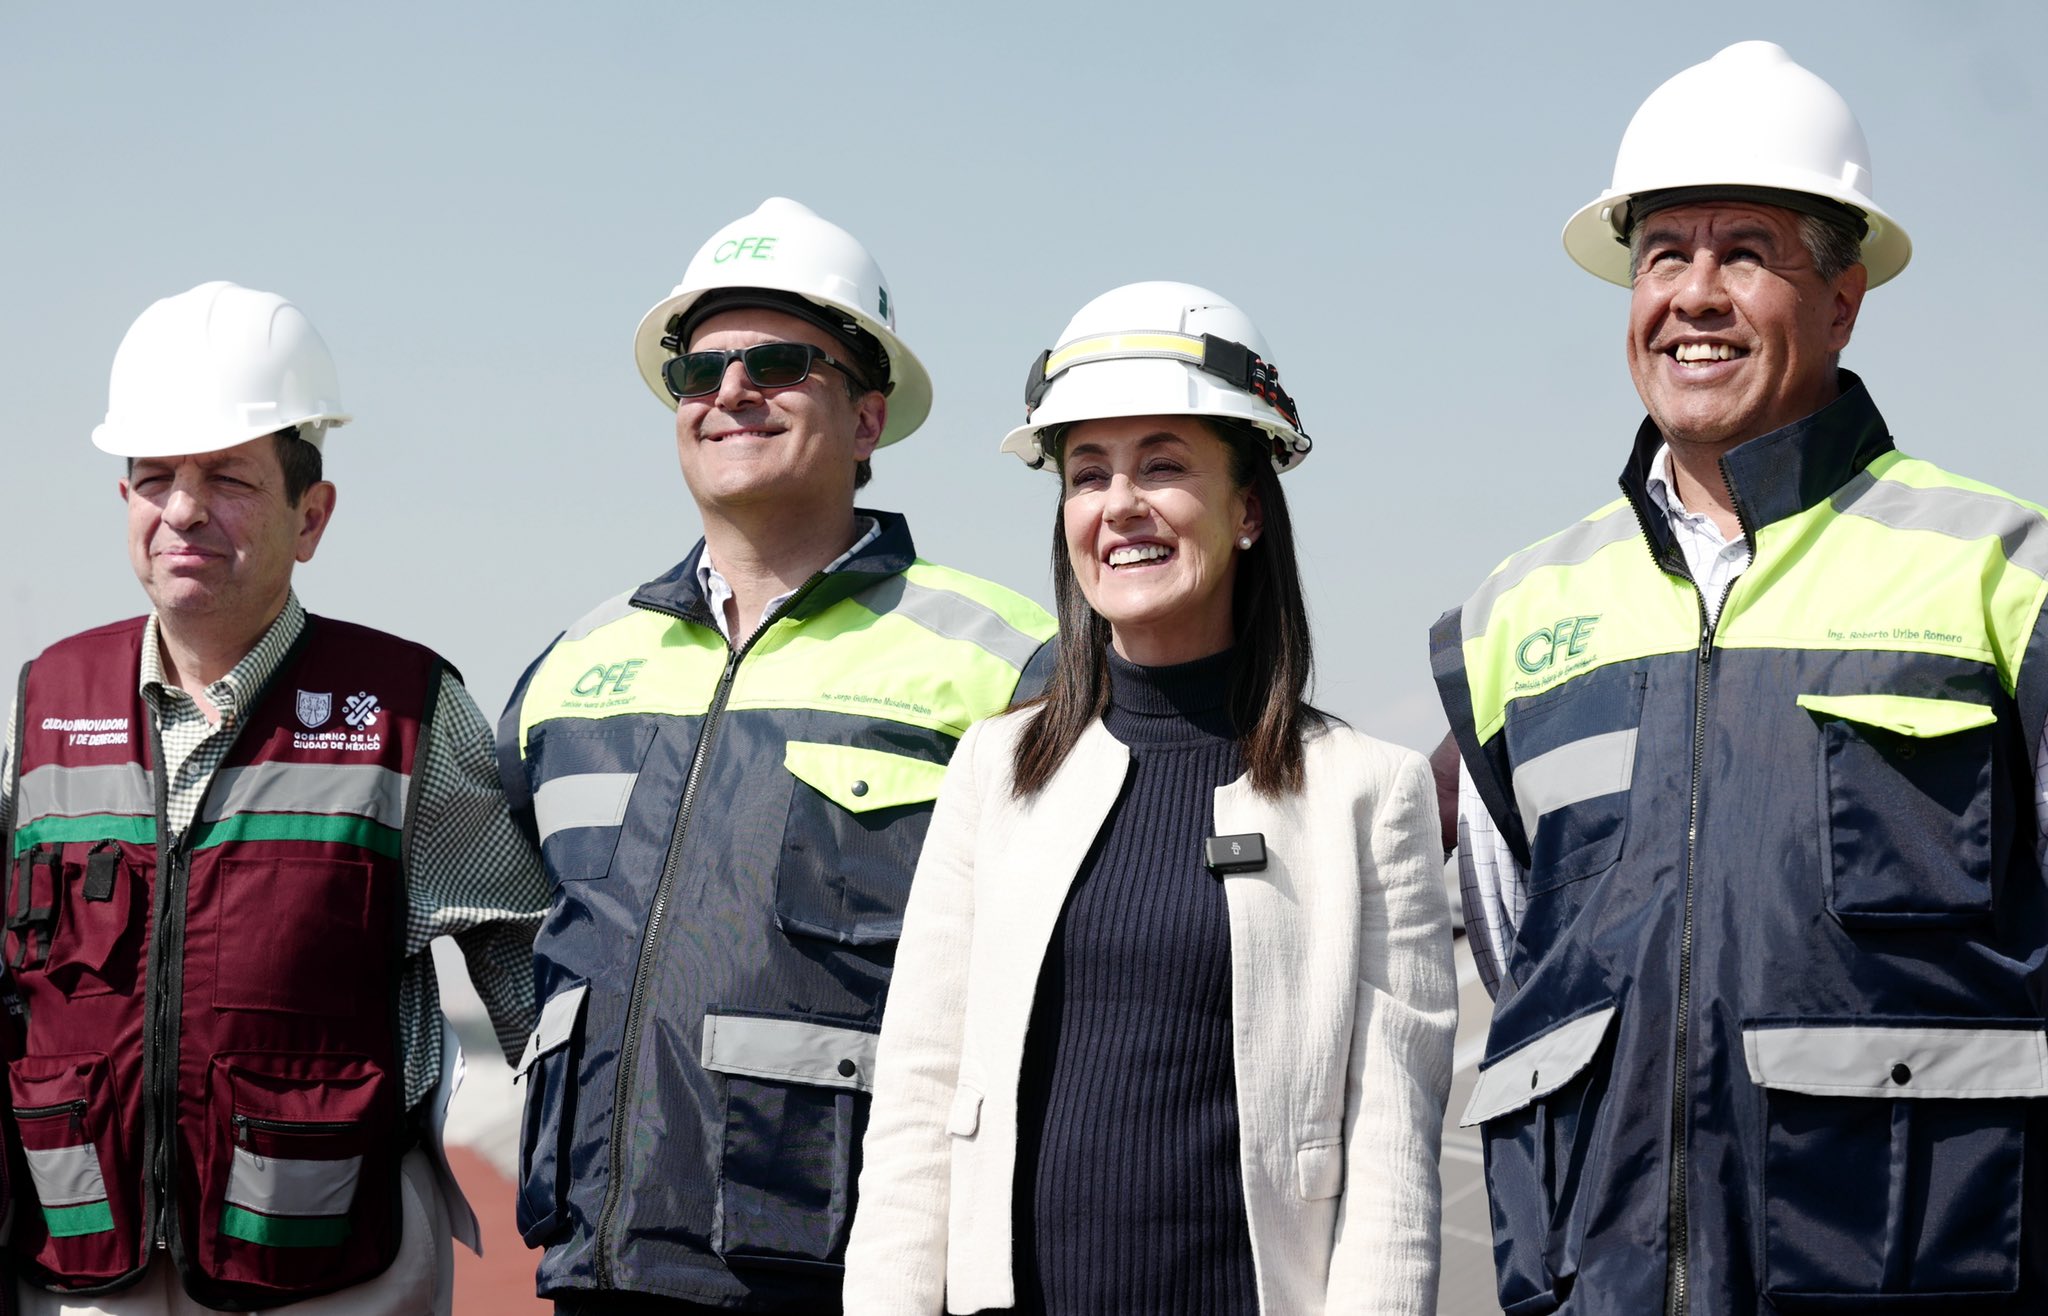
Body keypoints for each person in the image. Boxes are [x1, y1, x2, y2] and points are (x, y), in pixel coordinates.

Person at [1434, 40, 2048, 1314]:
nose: (1693, 295)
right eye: (1663, 254)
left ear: (1843, 295)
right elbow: (1517, 959)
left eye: (1746, 252)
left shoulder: (2002, 573)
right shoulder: (1513, 614)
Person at [845, 281, 1458, 1315]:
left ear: (1248, 507)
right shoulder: (995, 773)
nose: (1117, 502)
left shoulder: (1365, 793)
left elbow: (1389, 1156)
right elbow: (916, 1101)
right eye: (1087, 474)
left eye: (1162, 464)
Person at [500, 198, 1056, 1314]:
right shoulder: (570, 666)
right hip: (596, 1272)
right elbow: (516, 936)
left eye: (778, 361)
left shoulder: (1005, 662)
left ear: (867, 416)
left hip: (855, 1274)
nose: (729, 391)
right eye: (697, 371)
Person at [0, 281, 547, 1315]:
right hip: (78, 1271)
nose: (185, 508)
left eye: (229, 478)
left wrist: (592, 1183)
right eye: (155, 476)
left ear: (313, 514)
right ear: (124, 506)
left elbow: (529, 977)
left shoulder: (407, 715)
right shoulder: (43, 707)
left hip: (333, 1272)